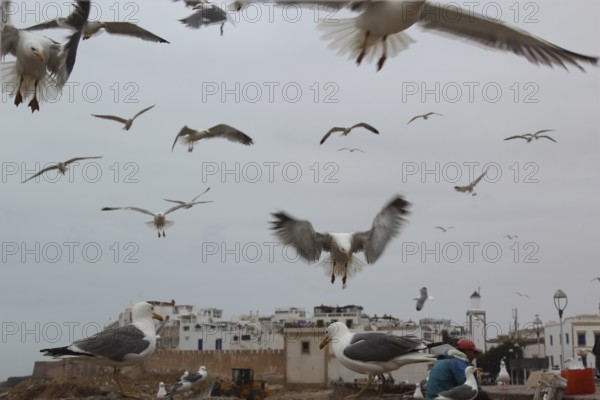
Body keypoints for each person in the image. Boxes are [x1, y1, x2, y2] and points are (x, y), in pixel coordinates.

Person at [425, 338, 490, 400]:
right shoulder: (458, 362)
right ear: (467, 351)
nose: (474, 356)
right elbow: (471, 386)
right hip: (442, 397)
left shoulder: (443, 359)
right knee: (481, 395)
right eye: (474, 352)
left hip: (431, 397)